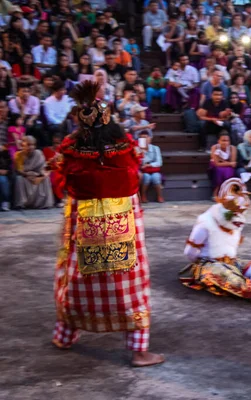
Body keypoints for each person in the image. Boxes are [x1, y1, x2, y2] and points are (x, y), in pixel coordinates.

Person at [52, 82, 163, 367]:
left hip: (84, 221)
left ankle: (64, 335)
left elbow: (60, 176)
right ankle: (139, 351)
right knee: (129, 283)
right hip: (123, 221)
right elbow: (134, 173)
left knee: (78, 278)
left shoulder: (73, 149)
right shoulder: (124, 146)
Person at [181, 178, 251, 305]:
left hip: (231, 262)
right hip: (208, 264)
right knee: (223, 273)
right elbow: (190, 253)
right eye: (233, 212)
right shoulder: (205, 223)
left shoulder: (237, 223)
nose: (237, 216)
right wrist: (203, 264)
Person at [12, 136, 53, 209]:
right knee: (19, 179)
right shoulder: (18, 155)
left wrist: (40, 177)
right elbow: (19, 170)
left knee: (46, 179)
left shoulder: (38, 153)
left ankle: (44, 204)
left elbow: (45, 168)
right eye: (28, 145)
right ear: (22, 145)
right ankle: (21, 204)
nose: (31, 147)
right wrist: (29, 175)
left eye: (33, 145)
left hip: (37, 177)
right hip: (26, 177)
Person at [196, 87, 231, 152]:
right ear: (211, 95)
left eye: (220, 95)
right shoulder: (207, 102)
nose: (218, 97)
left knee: (228, 124)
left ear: (222, 96)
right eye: (216, 95)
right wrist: (212, 119)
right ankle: (202, 146)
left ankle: (228, 146)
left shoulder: (224, 103)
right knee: (201, 124)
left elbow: (227, 118)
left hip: (220, 124)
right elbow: (201, 117)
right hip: (210, 123)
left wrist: (220, 119)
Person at [138, 130, 164, 203]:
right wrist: (141, 153)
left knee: (155, 177)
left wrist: (149, 165)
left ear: (150, 138)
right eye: (141, 138)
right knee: (146, 177)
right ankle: (143, 195)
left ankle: (160, 196)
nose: (144, 140)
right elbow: (138, 163)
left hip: (153, 169)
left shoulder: (155, 148)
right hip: (144, 171)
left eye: (145, 137)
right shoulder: (138, 149)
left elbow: (159, 162)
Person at [209, 132, 237, 196]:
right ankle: (216, 191)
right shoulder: (214, 147)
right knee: (219, 170)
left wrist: (224, 162)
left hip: (227, 166)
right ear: (218, 141)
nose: (225, 142)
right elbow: (216, 163)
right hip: (215, 166)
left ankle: (227, 192)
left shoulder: (232, 148)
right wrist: (228, 163)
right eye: (223, 140)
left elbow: (233, 163)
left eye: (227, 141)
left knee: (229, 171)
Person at [0, 142, 10, 211]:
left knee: (3, 180)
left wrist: (6, 170)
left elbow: (8, 163)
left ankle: (5, 202)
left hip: (2, 174)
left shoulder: (4, 151)